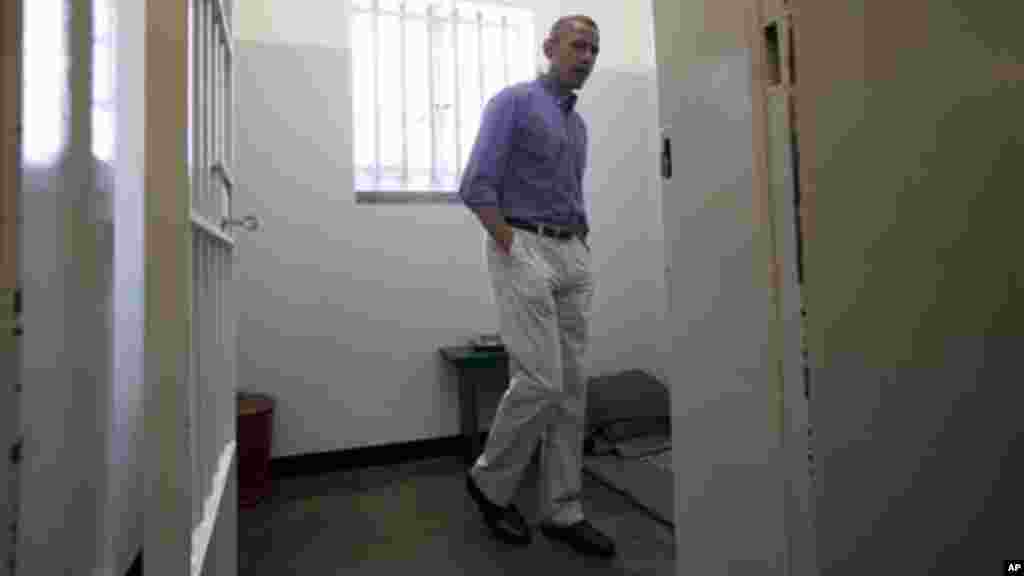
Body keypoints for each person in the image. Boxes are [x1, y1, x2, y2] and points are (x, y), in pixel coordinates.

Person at [457, 14, 615, 558]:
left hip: (572, 252)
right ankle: (490, 483)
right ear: (549, 47)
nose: (587, 56)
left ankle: (563, 511)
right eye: (578, 45)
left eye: (594, 49)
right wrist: (510, 244)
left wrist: (581, 246)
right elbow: (475, 184)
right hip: (523, 245)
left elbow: (571, 194)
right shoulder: (514, 102)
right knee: (541, 381)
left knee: (572, 391)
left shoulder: (578, 126)